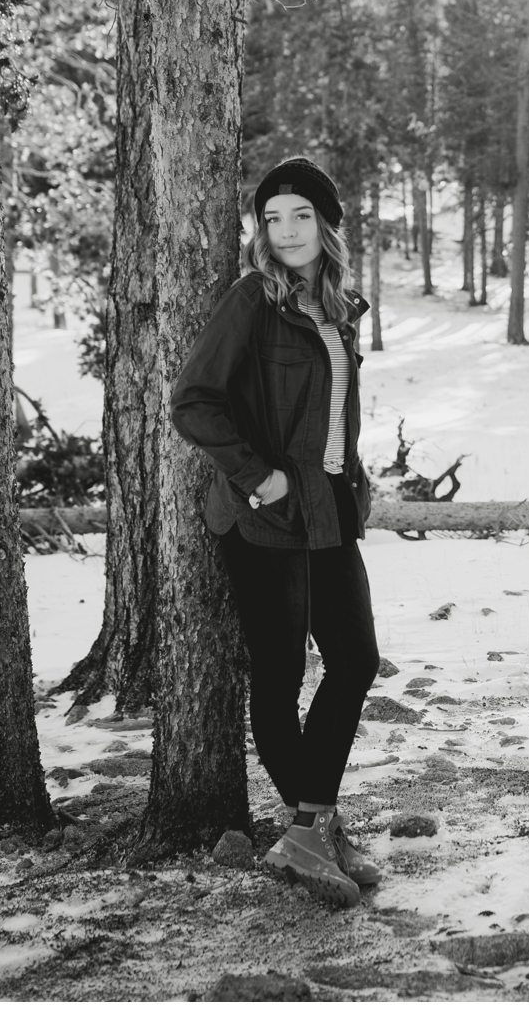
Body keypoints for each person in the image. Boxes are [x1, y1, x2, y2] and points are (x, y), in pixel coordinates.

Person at [169, 155, 382, 908]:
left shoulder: (340, 306)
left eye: (299, 215)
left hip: (327, 506)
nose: (285, 231)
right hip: (262, 514)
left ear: (326, 225)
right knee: (281, 675)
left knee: (356, 658)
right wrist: (257, 477)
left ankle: (312, 826)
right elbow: (193, 400)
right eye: (271, 218)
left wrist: (350, 472)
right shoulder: (252, 300)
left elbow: (328, 410)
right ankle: (311, 829)